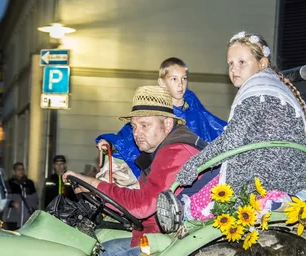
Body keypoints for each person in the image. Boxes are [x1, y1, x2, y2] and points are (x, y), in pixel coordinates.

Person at [62, 85, 204, 256]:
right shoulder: (159, 152)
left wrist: (94, 184)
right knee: (104, 252)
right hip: (160, 233)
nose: (137, 133)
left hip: (182, 237)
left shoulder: (175, 150)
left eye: (145, 125)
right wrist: (96, 192)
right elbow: (141, 205)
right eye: (134, 126)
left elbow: (143, 205)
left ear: (167, 124)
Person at [176, 32, 306, 213]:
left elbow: (230, 142)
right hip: (297, 183)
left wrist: (193, 164)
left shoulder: (256, 91)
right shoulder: (287, 93)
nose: (233, 69)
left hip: (257, 183)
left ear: (262, 63)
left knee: (187, 206)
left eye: (241, 62)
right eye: (230, 63)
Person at [96, 57, 226, 179]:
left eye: (184, 79)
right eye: (174, 79)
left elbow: (212, 124)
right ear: (162, 83)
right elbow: (132, 131)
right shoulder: (154, 107)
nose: (180, 84)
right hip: (161, 170)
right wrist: (111, 143)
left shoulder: (194, 109)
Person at [4, 162, 38, 230]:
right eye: (18, 169)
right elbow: (3, 200)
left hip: (27, 219)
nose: (21, 171)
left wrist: (32, 208)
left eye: (22, 169)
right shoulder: (9, 183)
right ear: (14, 171)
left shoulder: (29, 183)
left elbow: (35, 199)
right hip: (13, 218)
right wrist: (12, 203)